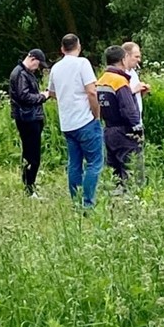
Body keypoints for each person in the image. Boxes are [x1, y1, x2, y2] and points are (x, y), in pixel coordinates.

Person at [47, 34, 103, 209]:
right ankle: (88, 203)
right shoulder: (82, 63)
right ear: (78, 46)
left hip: (67, 123)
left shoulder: (56, 68)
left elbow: (52, 93)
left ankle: (76, 201)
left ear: (62, 49)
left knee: (74, 164)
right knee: (94, 162)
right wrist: (97, 114)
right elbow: (92, 92)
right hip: (85, 120)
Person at [97, 45, 143, 192]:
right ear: (123, 60)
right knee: (132, 171)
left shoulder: (101, 81)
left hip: (108, 130)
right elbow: (128, 110)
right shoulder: (120, 82)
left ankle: (116, 203)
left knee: (114, 172)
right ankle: (132, 202)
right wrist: (137, 127)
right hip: (125, 132)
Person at [9, 48, 51, 197]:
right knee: (32, 155)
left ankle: (29, 185)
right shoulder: (21, 74)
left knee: (31, 153)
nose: (38, 68)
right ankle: (29, 187)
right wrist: (43, 96)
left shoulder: (25, 73)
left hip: (30, 117)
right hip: (28, 118)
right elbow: (24, 97)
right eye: (38, 65)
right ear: (32, 59)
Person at [121, 41, 150, 123]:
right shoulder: (120, 74)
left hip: (137, 118)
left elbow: (134, 96)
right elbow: (119, 97)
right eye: (136, 57)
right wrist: (135, 90)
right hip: (126, 122)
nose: (139, 60)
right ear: (126, 56)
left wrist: (142, 92)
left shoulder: (133, 73)